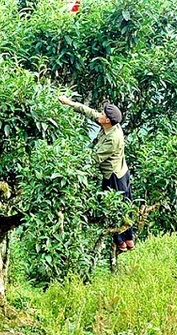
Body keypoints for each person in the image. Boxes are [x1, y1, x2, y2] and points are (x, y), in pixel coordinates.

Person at [58, 95, 134, 252]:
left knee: (114, 208)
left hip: (113, 176)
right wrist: (70, 103)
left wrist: (71, 164)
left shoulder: (113, 138)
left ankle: (121, 241)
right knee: (125, 205)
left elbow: (95, 158)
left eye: (103, 114)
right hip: (122, 170)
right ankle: (129, 239)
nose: (100, 114)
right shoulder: (109, 125)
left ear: (107, 120)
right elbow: (90, 112)